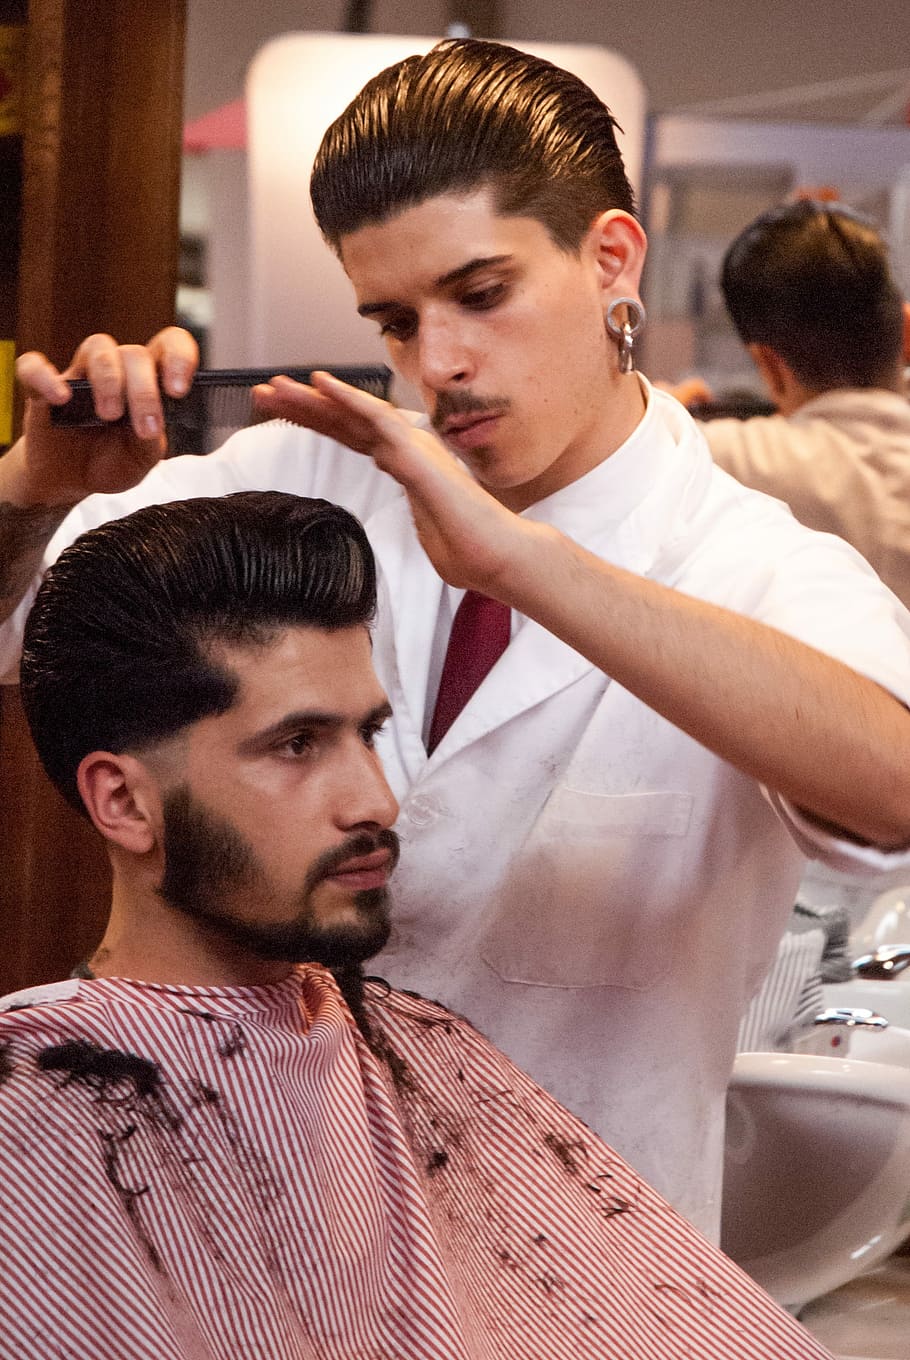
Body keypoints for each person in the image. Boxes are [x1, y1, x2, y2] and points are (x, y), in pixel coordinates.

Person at [3, 39, 910, 1240]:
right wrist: (31, 492)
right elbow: (28, 629)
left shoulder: (751, 563)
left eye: (481, 295)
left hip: (578, 1270)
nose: (439, 367)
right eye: (393, 320)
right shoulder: (305, 474)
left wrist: (523, 560)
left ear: (610, 258)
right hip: (269, 1227)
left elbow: (892, 783)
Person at [0, 489, 834, 1359]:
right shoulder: (42, 1109)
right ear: (124, 801)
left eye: (368, 734)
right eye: (298, 745)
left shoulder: (416, 1046)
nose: (377, 800)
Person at [681, 200, 910, 608]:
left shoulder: (730, 460)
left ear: (769, 365)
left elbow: (633, 439)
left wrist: (664, 407)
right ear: (906, 332)